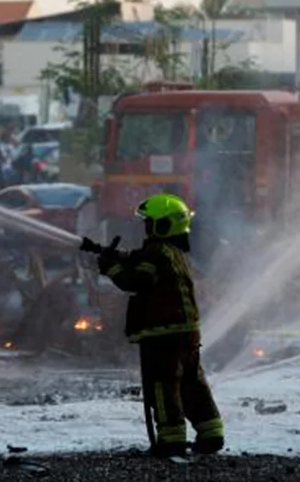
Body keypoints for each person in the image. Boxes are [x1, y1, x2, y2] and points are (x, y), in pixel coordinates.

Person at [90, 194, 224, 457]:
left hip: (162, 335)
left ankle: (170, 441)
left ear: (162, 226)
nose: (145, 227)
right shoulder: (176, 253)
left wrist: (111, 268)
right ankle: (212, 433)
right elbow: (142, 260)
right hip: (187, 333)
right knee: (192, 384)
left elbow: (137, 281)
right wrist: (119, 255)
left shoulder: (155, 252)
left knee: (163, 387)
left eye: (149, 223)